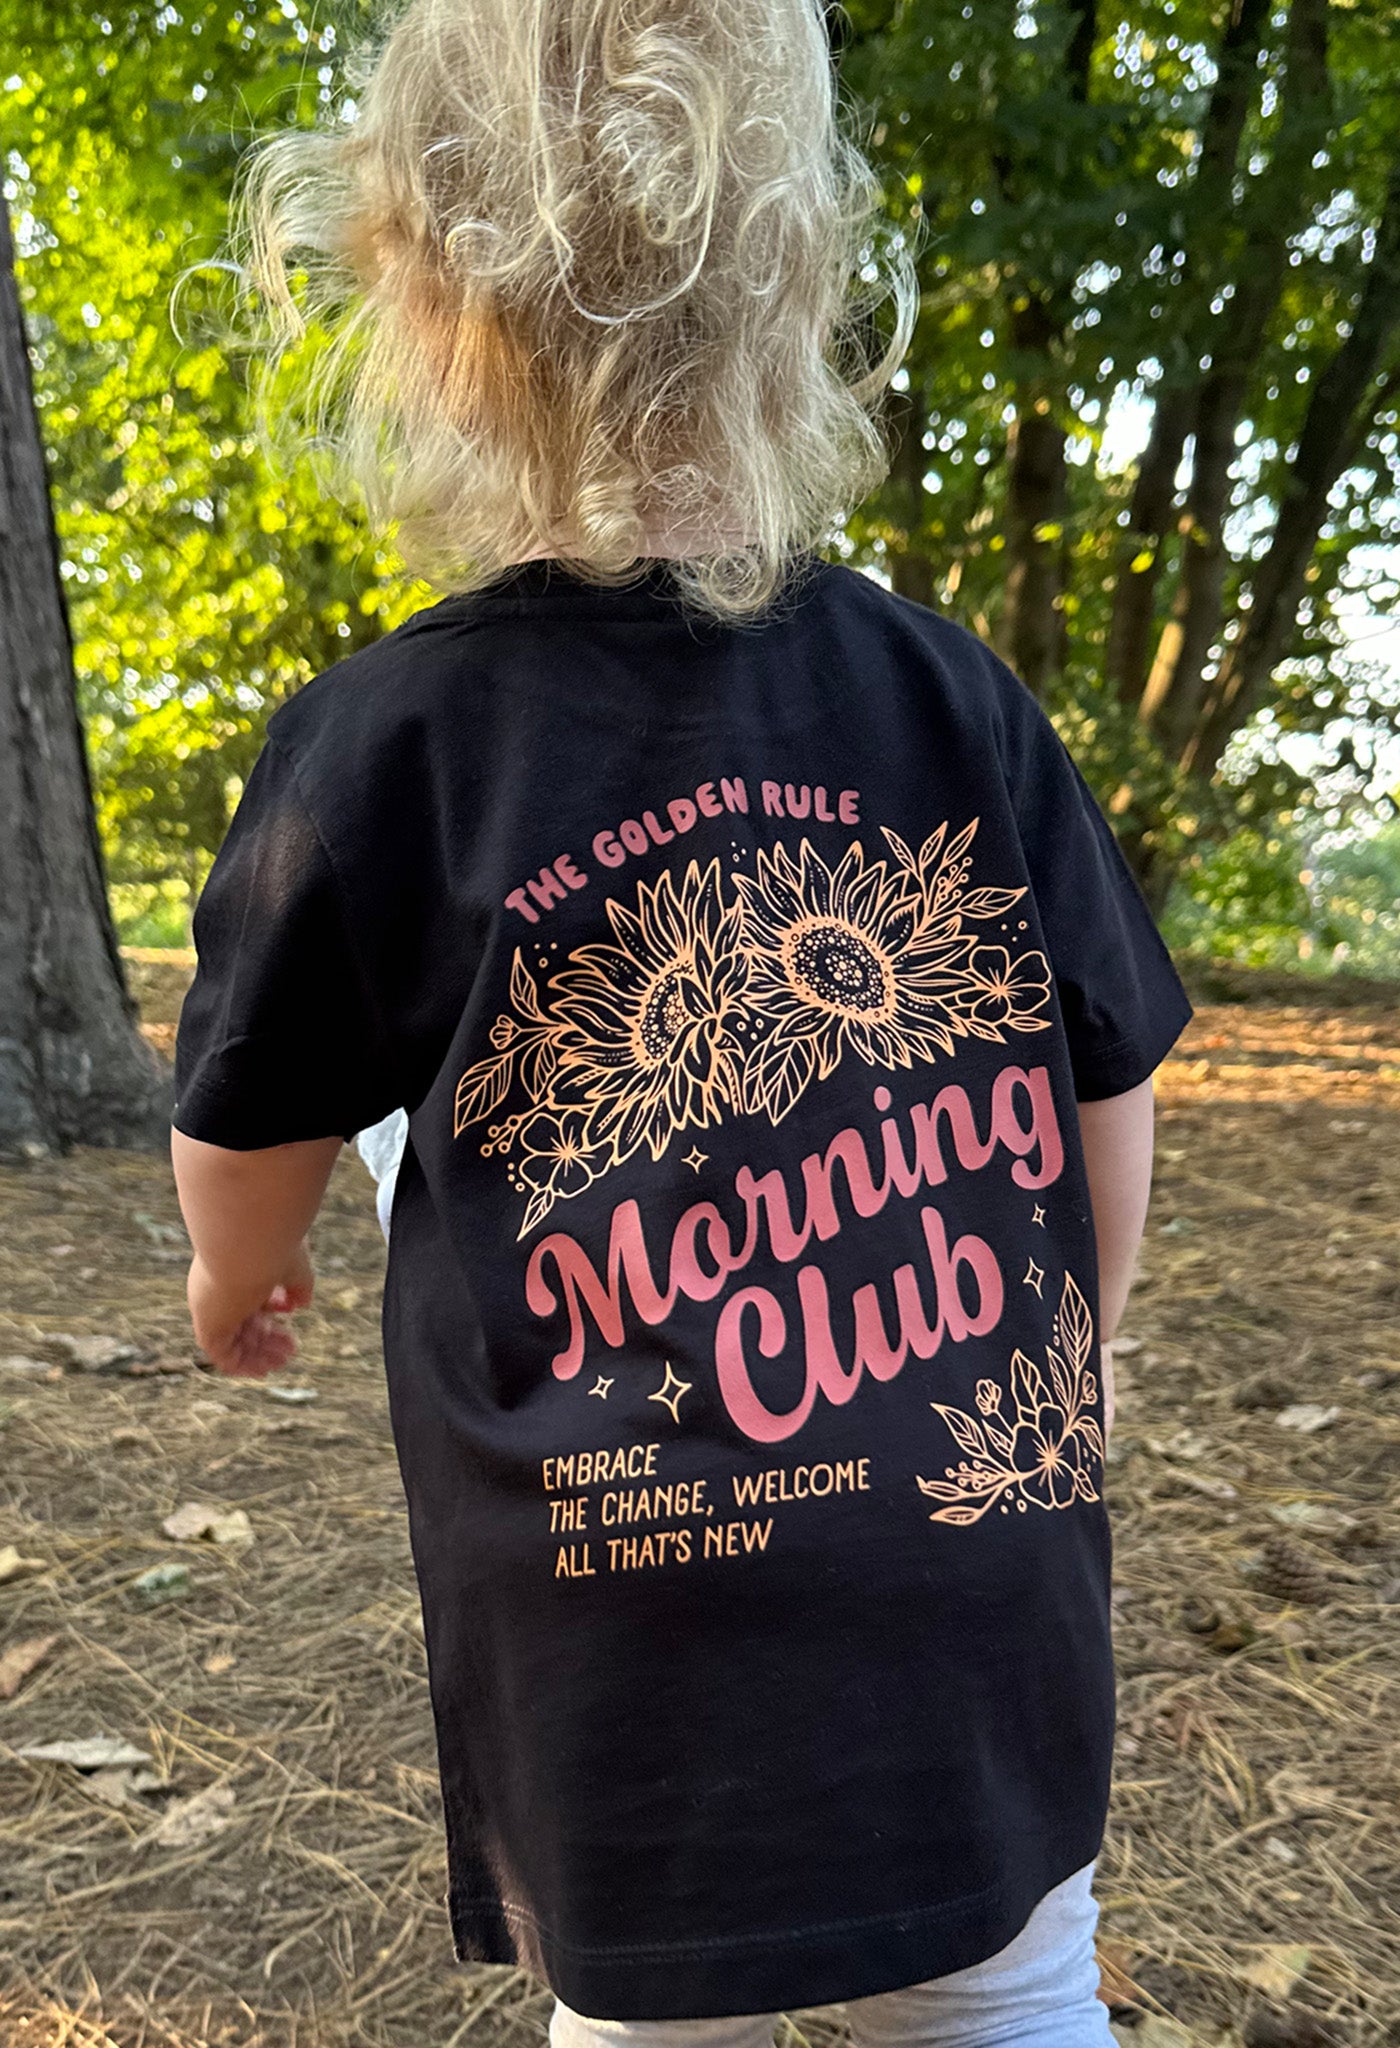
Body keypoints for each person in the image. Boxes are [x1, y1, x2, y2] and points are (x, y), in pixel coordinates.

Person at [170, 1, 1193, 2042]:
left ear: (414, 304)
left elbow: (245, 1132)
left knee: (650, 2020)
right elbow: (1108, 1089)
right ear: (805, 277)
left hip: (621, 1637)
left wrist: (236, 1274)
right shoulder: (952, 697)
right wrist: (1062, 1341)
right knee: (1009, 1996)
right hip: (969, 1596)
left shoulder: (381, 750)